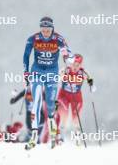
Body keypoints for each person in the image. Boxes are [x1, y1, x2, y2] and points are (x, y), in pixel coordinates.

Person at [23, 16, 73, 150]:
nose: (45, 32)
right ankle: (34, 136)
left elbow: (68, 53)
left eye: (47, 30)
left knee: (50, 105)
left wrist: (67, 58)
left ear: (52, 29)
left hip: (52, 73)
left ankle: (52, 129)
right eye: (43, 30)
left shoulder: (58, 39)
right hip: (37, 72)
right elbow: (26, 56)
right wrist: (26, 72)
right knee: (37, 103)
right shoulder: (33, 38)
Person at [57, 54, 93, 145]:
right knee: (63, 115)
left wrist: (91, 84)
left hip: (76, 97)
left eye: (78, 65)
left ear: (81, 65)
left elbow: (90, 80)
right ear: (70, 63)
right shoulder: (65, 69)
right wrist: (61, 76)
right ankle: (61, 136)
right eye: (73, 64)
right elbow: (57, 77)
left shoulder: (83, 72)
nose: (75, 67)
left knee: (75, 118)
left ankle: (77, 137)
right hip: (64, 95)